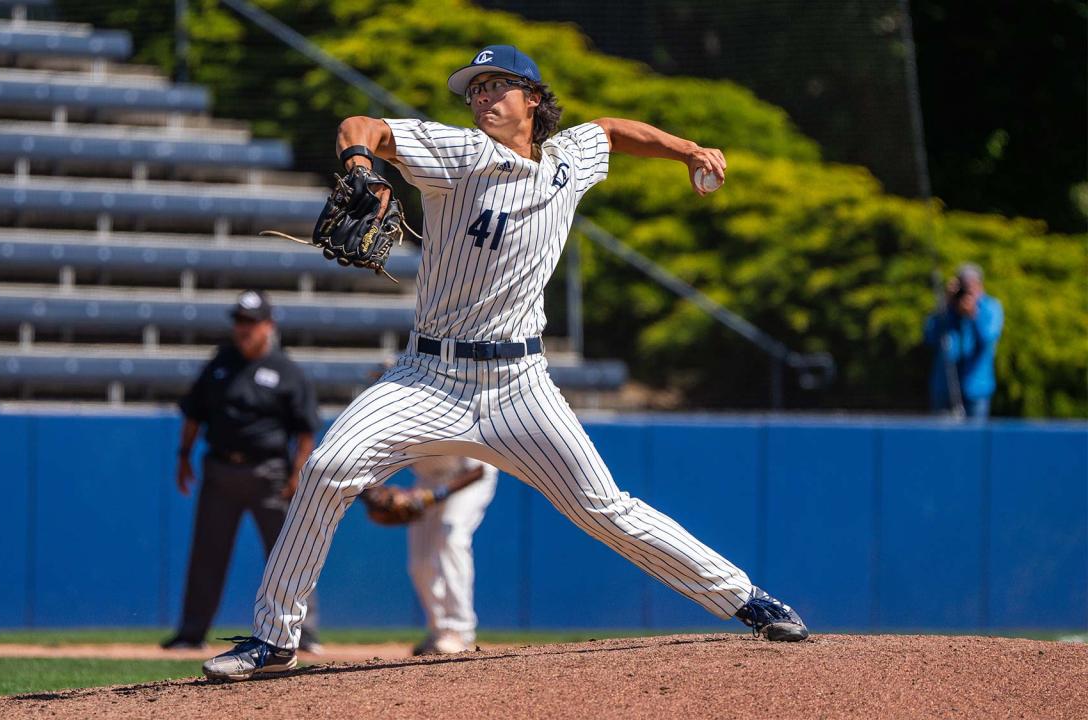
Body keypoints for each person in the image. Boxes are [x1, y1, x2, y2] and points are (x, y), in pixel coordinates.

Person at [203, 44, 809, 682]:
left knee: (603, 507)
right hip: (426, 378)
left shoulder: (568, 158)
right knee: (326, 470)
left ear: (535, 100)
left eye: (497, 86)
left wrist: (686, 148)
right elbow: (365, 127)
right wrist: (361, 162)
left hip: (521, 385)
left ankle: (745, 598)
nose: (483, 98)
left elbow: (611, 131)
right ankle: (274, 640)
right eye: (475, 90)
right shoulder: (459, 153)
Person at [164, 289, 325, 654]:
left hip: (270, 474)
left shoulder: (286, 370)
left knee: (290, 554)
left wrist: (298, 473)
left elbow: (305, 431)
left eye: (252, 322)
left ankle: (305, 632)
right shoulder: (220, 363)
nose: (244, 329)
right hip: (220, 470)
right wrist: (184, 455)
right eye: (239, 321)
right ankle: (191, 632)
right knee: (207, 554)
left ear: (269, 326)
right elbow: (194, 412)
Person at [407, 456, 498, 656]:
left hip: (469, 478)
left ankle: (459, 630)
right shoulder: (393, 425)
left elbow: (479, 470)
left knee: (452, 537)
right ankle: (439, 630)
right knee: (420, 561)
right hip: (428, 481)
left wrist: (437, 494)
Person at [924, 263, 1005, 419]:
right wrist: (947, 305)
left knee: (975, 441)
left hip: (976, 387)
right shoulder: (948, 310)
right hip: (945, 386)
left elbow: (988, 339)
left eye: (970, 285)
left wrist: (974, 315)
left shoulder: (991, 307)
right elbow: (930, 336)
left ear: (979, 284)